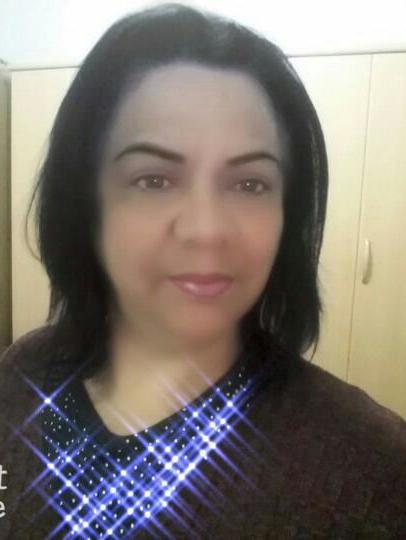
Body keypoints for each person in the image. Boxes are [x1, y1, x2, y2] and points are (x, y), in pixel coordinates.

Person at [0, 3, 405, 539]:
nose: (207, 230)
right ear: (86, 203)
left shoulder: (370, 468)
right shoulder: (23, 374)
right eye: (154, 180)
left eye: (250, 184)